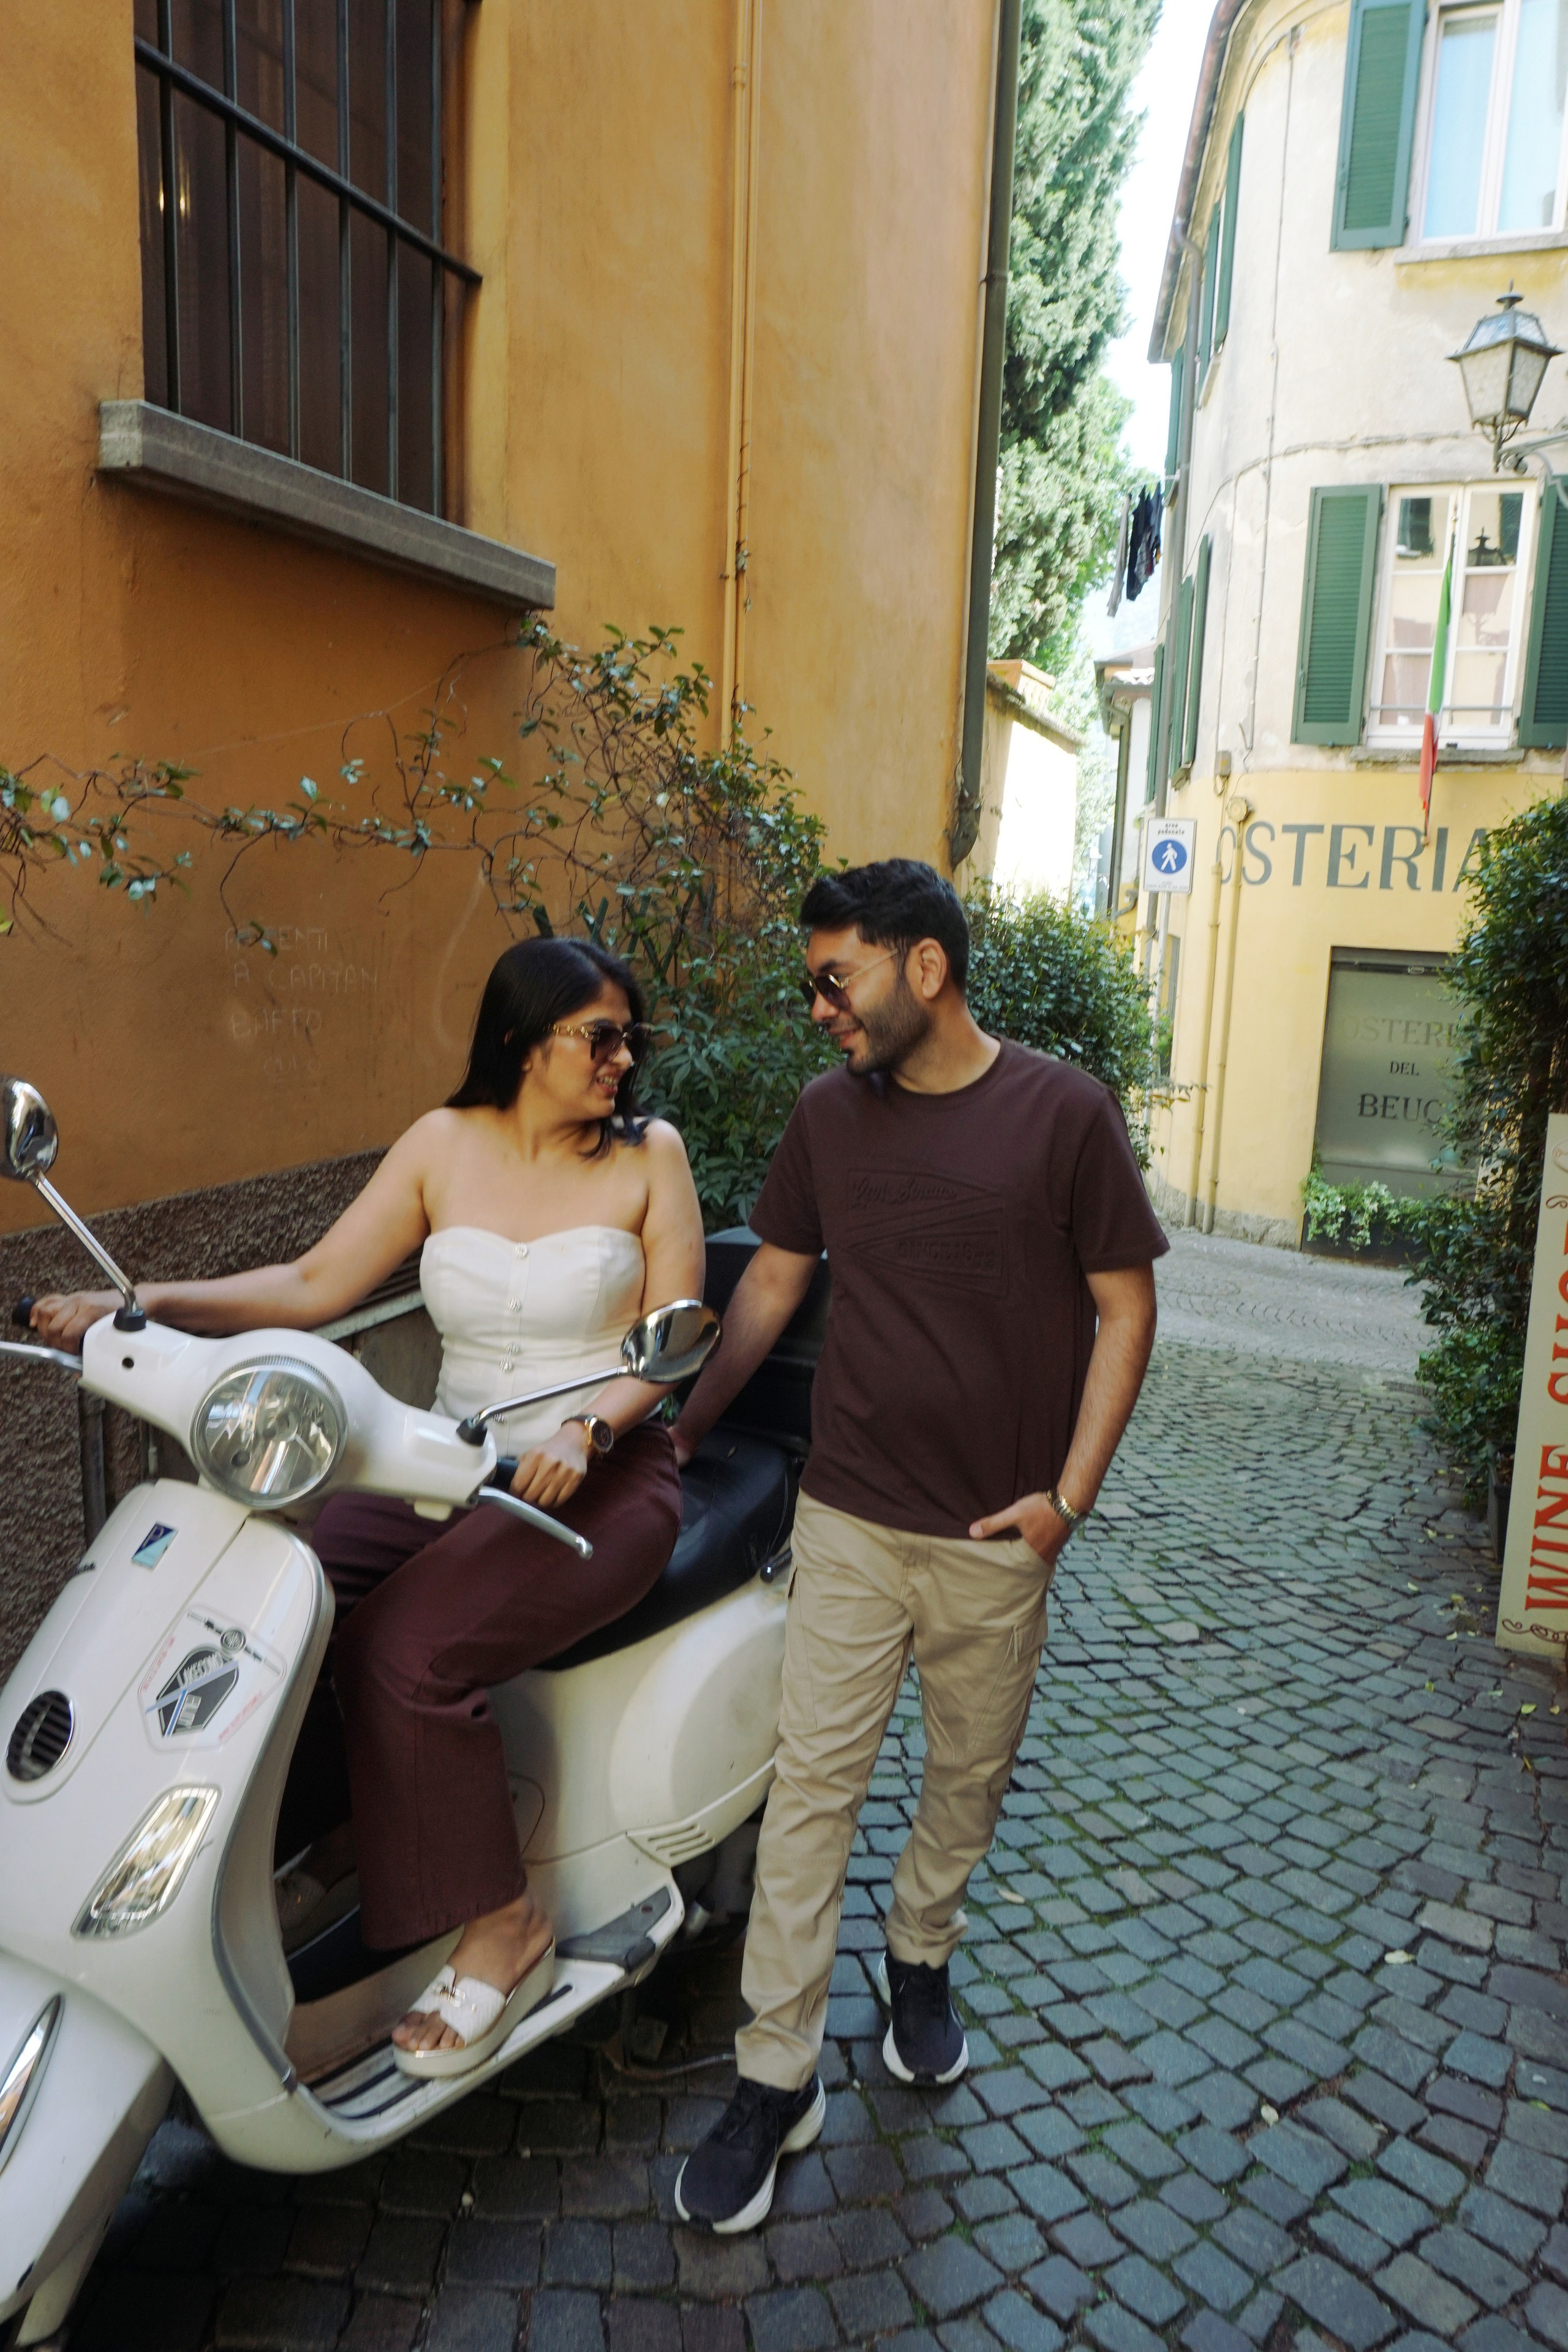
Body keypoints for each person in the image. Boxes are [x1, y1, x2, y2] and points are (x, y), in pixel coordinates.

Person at [31, 937, 704, 2078]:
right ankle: (325, 1840)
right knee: (272, 1599)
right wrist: (140, 1303)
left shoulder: (650, 1157)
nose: (623, 1058)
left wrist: (589, 1431)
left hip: (602, 1477)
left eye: (630, 1036)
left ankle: (503, 1921)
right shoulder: (442, 1145)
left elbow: (682, 1333)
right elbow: (314, 1283)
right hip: (447, 1459)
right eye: (600, 1035)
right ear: (520, 1039)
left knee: (403, 1646)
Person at [668, 859, 1165, 2233]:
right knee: (811, 1792)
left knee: (965, 1779)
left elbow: (1122, 1311)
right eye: (811, 983)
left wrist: (1063, 1503)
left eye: (837, 978)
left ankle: (922, 1953)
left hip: (992, 1538)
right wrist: (684, 1423)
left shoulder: (1062, 1115)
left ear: (923, 969)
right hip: (847, 1515)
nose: (818, 1006)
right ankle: (773, 2076)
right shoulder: (829, 1118)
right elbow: (773, 1273)